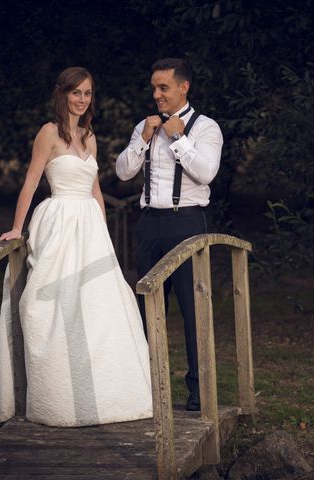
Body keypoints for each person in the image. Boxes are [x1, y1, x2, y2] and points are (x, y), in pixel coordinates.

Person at [0, 67, 152, 427]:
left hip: (89, 226)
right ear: (63, 94)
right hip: (59, 221)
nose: (82, 99)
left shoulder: (90, 136)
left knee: (99, 305)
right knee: (53, 304)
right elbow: (30, 182)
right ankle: (56, 398)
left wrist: (102, 234)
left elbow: (96, 189)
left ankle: (108, 395)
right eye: (76, 93)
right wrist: (16, 228)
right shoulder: (48, 133)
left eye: (88, 93)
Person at [116, 58, 223, 411]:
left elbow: (205, 173)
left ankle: (198, 390)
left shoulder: (206, 128)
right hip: (148, 224)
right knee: (147, 308)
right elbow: (123, 172)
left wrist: (177, 136)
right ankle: (145, 390)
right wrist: (143, 140)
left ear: (183, 87)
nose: (156, 94)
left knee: (192, 308)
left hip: (187, 223)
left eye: (163, 87)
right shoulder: (144, 126)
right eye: (154, 88)